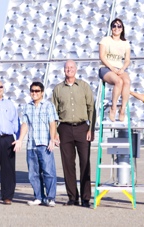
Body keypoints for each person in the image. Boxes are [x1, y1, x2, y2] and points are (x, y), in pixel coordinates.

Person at [52, 60, 95, 208]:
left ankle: (85, 198)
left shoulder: (84, 86)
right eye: (67, 67)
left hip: (82, 128)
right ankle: (72, 197)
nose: (69, 70)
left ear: (76, 70)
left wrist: (91, 129)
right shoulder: (58, 89)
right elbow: (54, 113)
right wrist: (55, 133)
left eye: (71, 67)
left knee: (85, 163)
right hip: (64, 129)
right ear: (63, 70)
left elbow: (91, 109)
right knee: (68, 165)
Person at [13, 82, 58, 207]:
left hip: (44, 143)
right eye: (32, 91)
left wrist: (52, 139)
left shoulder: (48, 106)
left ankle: (50, 198)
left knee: (48, 172)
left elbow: (52, 123)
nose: (34, 93)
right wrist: (20, 139)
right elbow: (25, 124)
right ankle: (38, 196)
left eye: (37, 91)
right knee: (33, 173)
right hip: (31, 145)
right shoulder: (27, 107)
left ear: (42, 92)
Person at [99, 18, 132, 122]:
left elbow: (127, 60)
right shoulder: (105, 40)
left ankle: (122, 109)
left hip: (119, 68)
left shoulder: (125, 43)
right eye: (114, 26)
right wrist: (111, 68)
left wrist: (122, 69)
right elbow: (102, 56)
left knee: (126, 81)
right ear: (111, 28)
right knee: (119, 81)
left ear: (122, 29)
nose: (116, 28)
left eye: (119, 26)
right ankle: (113, 108)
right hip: (106, 68)